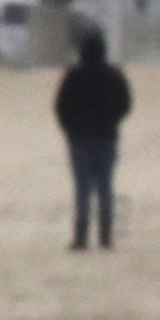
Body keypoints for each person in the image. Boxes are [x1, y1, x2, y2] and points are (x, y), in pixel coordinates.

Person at [52, 23, 132, 254]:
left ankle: (81, 237)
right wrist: (113, 121)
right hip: (107, 138)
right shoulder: (114, 75)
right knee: (105, 186)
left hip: (79, 140)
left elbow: (60, 106)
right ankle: (106, 237)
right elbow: (126, 104)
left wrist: (69, 128)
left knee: (82, 188)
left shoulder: (73, 76)